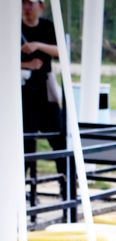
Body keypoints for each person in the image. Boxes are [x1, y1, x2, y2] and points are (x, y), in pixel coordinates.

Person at [21, 0, 66, 195]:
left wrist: (37, 45)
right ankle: (21, 191)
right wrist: (26, 65)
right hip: (23, 92)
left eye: (31, 3)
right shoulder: (13, 28)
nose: (27, 7)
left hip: (45, 91)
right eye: (23, 3)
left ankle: (66, 185)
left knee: (59, 138)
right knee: (25, 143)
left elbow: (61, 51)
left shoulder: (47, 27)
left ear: (41, 6)